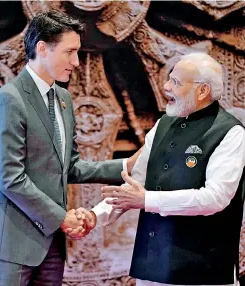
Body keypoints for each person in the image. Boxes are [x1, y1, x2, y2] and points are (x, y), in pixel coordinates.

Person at [0, 10, 138, 286]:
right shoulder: (9, 100)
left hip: (52, 244)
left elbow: (70, 167)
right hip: (12, 245)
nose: (77, 62)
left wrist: (126, 165)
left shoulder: (63, 99)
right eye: (70, 52)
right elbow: (10, 177)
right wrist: (62, 217)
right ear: (42, 48)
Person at [91, 53, 245, 285]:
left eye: (176, 82)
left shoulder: (231, 133)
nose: (166, 87)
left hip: (202, 273)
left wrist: (147, 200)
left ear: (202, 91)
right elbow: (135, 187)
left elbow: (215, 198)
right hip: (152, 268)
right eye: (169, 79)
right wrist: (93, 215)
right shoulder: (161, 125)